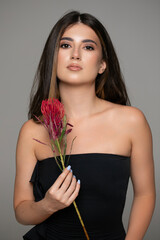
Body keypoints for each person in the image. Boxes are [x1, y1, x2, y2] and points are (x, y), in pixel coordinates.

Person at [14, 11, 155, 240]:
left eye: (88, 47)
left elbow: (145, 194)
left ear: (102, 65)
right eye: (65, 45)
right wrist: (47, 205)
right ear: (53, 57)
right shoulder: (32, 130)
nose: (76, 55)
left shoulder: (131, 121)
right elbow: (21, 210)